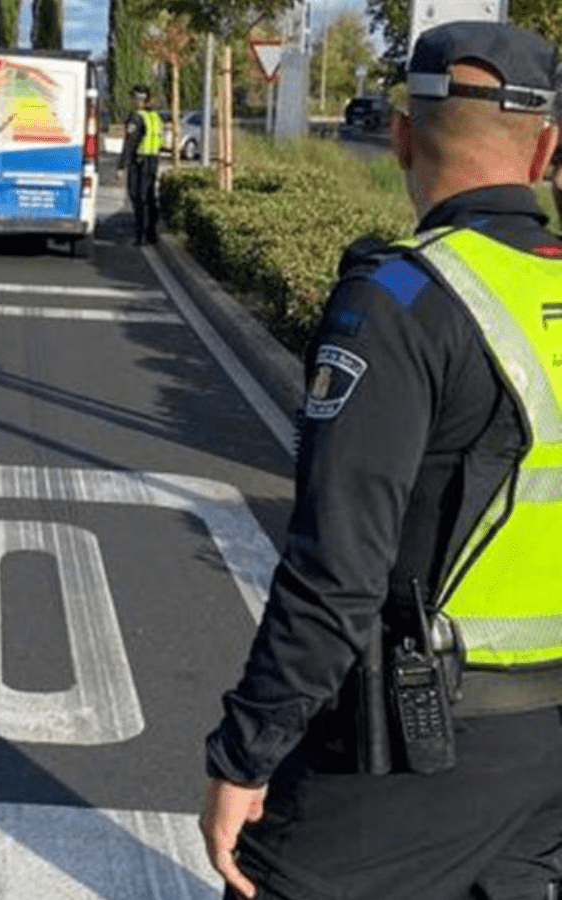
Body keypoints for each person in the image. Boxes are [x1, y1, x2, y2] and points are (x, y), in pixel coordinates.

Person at [199, 21, 562, 900]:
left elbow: (336, 571)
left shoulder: (402, 300)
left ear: (401, 136)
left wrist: (245, 754)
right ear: (547, 149)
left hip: (411, 754)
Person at [117, 83, 163, 246]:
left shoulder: (136, 117)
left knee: (138, 197)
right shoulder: (155, 116)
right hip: (153, 160)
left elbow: (130, 142)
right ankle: (152, 233)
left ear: (136, 99)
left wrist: (121, 165)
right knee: (150, 197)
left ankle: (140, 235)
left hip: (140, 162)